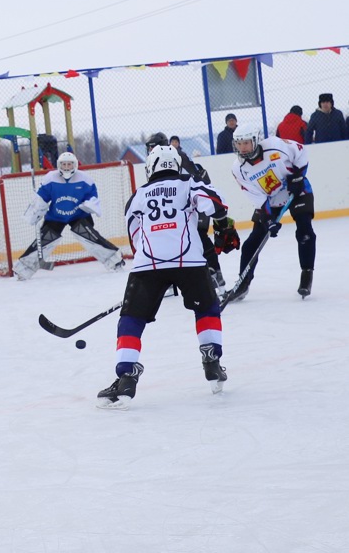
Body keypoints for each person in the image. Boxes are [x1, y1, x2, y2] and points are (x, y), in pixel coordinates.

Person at [96, 146, 238, 409]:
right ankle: (212, 360)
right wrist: (223, 226)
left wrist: (154, 267)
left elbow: (135, 237)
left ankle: (126, 376)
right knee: (207, 307)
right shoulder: (188, 183)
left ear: (150, 168)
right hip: (190, 262)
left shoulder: (138, 196)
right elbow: (216, 204)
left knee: (131, 319)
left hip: (148, 265)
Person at [228, 127, 315, 301]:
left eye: (246, 143)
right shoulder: (238, 169)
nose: (242, 147)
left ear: (256, 140)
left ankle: (307, 274)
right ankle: (243, 284)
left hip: (297, 191)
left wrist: (298, 176)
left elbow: (300, 152)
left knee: (305, 232)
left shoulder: (275, 145)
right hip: (271, 200)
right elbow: (256, 196)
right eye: (239, 144)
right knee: (251, 243)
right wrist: (268, 220)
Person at [145, 133, 238, 295]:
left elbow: (196, 178)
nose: (150, 151)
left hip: (197, 199)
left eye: (152, 147)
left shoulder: (176, 156)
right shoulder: (157, 160)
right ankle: (170, 280)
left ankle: (216, 277)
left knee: (200, 235)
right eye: (149, 148)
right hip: (185, 202)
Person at [13, 152, 124, 280]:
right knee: (45, 239)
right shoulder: (50, 178)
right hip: (55, 217)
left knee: (89, 236)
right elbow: (41, 199)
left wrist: (88, 206)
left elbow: (93, 197)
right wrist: (35, 213)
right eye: (63, 164)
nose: (66, 167)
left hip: (78, 214)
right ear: (59, 165)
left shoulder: (85, 179)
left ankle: (114, 260)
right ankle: (23, 269)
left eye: (69, 164)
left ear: (75, 165)